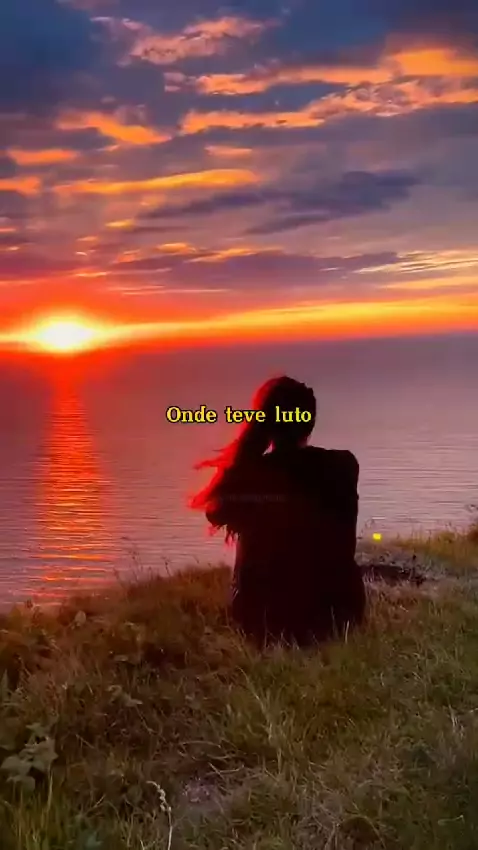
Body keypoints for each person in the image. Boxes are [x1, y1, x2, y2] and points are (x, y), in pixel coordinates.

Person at [190, 376, 366, 647]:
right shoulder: (344, 465)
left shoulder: (251, 474)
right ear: (310, 421)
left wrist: (243, 457)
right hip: (338, 613)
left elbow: (215, 512)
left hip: (262, 618)